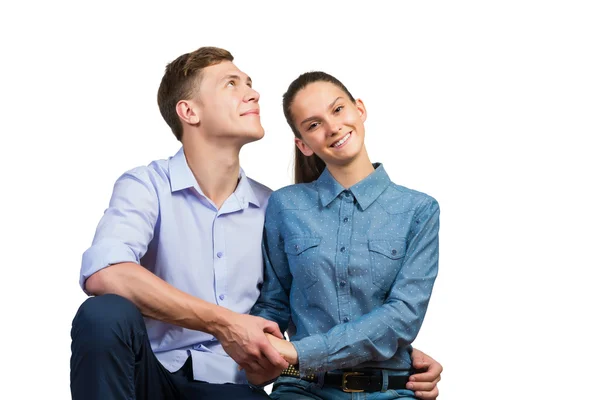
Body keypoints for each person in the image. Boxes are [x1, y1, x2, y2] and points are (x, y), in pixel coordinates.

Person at [70, 46, 442, 399]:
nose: (253, 94)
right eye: (231, 84)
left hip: (231, 383)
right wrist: (224, 323)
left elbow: (290, 311)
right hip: (151, 375)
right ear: (189, 112)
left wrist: (392, 361)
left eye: (249, 83)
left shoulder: (272, 206)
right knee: (103, 315)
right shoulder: (146, 186)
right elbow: (106, 273)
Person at [248, 71, 440, 399]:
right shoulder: (285, 205)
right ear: (303, 144)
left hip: (391, 390)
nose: (333, 127)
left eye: (337, 110)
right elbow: (274, 303)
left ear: (359, 110)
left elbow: (403, 316)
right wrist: (256, 351)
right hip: (303, 388)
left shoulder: (419, 210)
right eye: (313, 124)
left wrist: (303, 353)